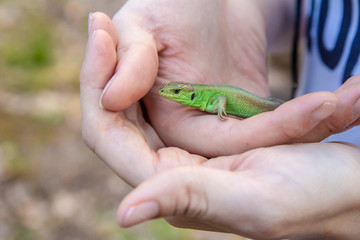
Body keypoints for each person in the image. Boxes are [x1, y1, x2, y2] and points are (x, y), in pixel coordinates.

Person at [79, 1, 360, 239]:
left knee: (286, 111)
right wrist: (230, 7)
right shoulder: (201, 95)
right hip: (309, 138)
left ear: (189, 94)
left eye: (177, 92)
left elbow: (221, 102)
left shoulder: (209, 98)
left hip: (273, 111)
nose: (169, 94)